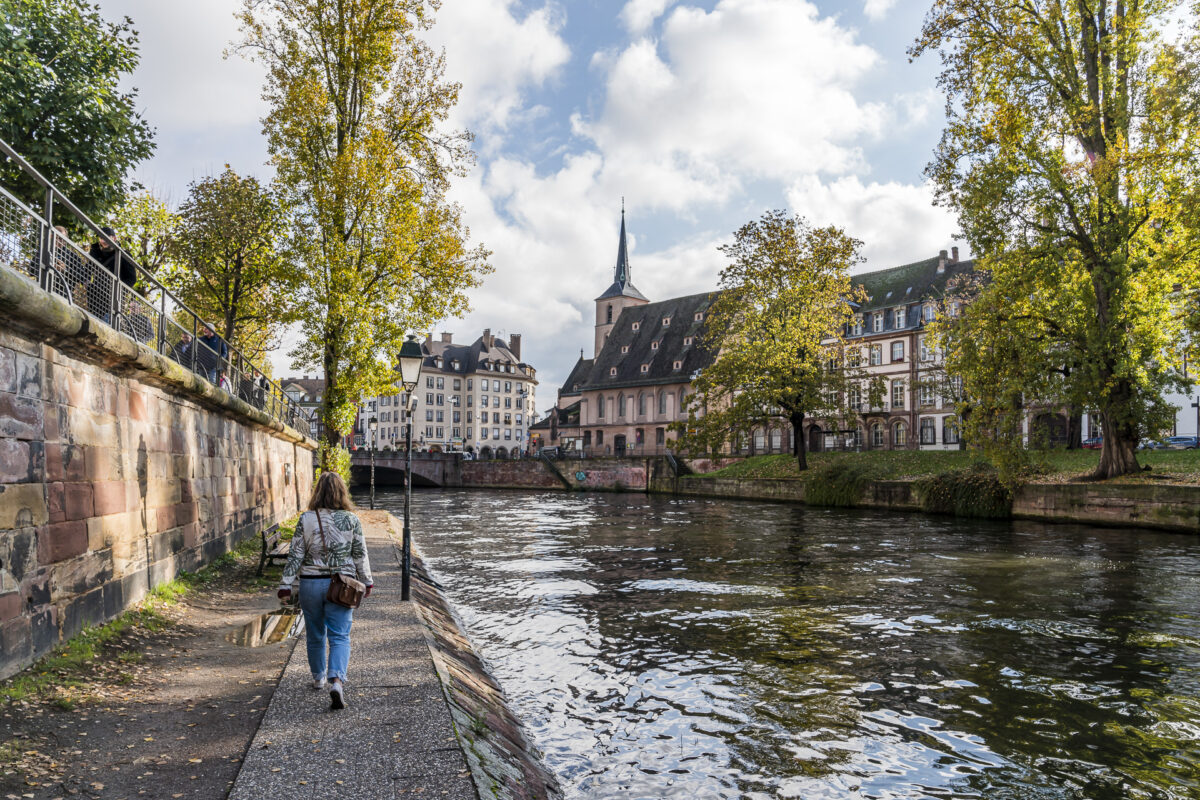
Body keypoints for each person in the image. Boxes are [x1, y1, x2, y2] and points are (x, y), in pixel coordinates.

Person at [277, 473, 373, 710]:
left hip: (310, 584)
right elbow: (360, 554)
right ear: (342, 491)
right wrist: (367, 581)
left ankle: (318, 677)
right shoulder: (351, 520)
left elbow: (296, 554)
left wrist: (285, 584)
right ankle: (337, 682)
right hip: (342, 585)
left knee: (315, 633)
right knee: (340, 635)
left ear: (317, 491)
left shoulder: (306, 518)